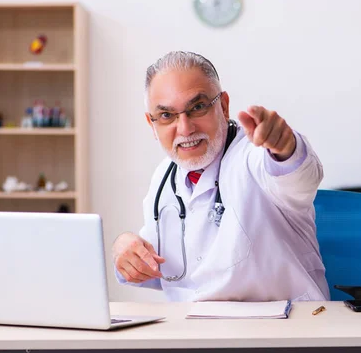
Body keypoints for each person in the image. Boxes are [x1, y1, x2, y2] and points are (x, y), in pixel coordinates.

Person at [112, 51, 330, 302]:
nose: (185, 128)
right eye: (166, 115)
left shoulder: (254, 156)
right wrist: (125, 249)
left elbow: (298, 177)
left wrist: (284, 145)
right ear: (152, 124)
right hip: (196, 332)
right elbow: (160, 266)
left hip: (282, 330)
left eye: (197, 107)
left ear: (223, 105)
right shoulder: (165, 176)